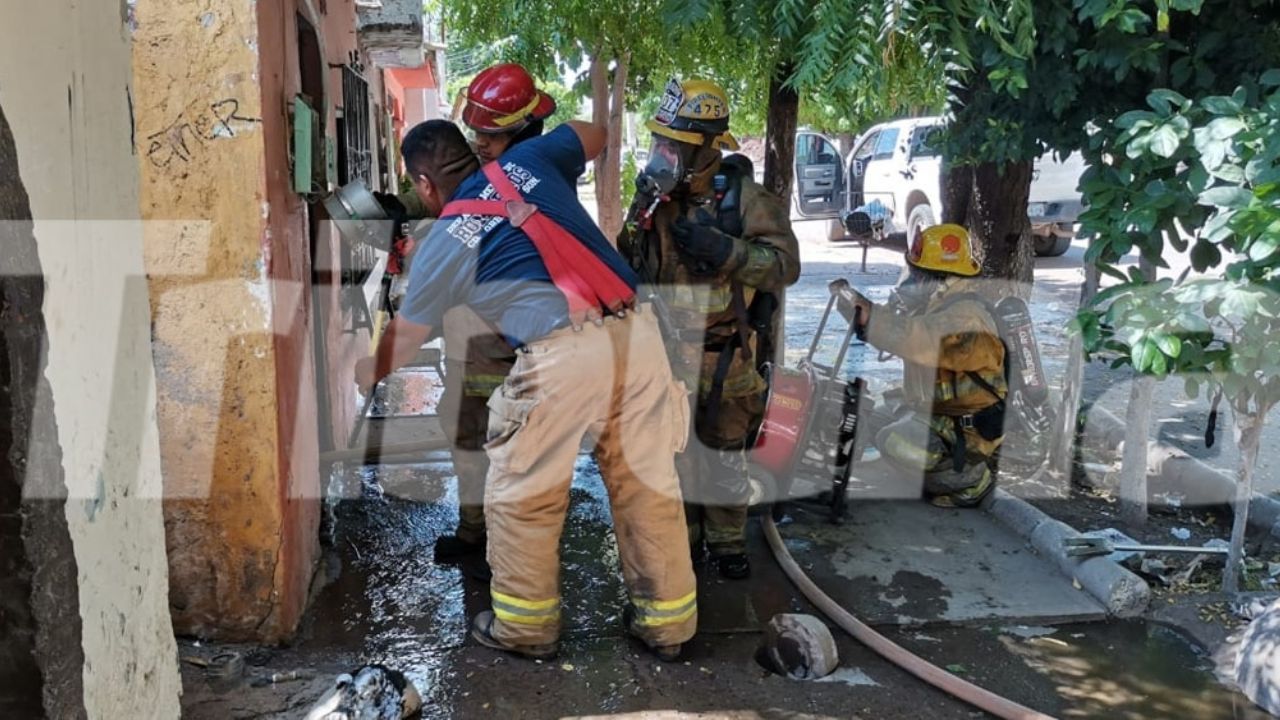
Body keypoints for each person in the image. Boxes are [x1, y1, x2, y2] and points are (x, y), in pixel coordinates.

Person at [355, 118, 697, 662]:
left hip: (562, 354)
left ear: (424, 186)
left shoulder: (444, 240)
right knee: (648, 488)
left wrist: (364, 371)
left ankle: (525, 629)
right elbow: (594, 133)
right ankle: (669, 627)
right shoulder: (532, 160)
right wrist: (526, 148)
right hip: (640, 336)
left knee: (524, 496)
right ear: (473, 152)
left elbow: (405, 338)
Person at [373, 63, 559, 568]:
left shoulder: (479, 208)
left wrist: (364, 371)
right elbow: (426, 194)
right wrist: (394, 209)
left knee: (500, 457)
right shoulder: (483, 183)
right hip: (483, 355)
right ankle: (476, 535)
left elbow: (410, 329)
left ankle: (505, 553)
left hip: (501, 359)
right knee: (474, 451)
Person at [617, 78, 799, 580]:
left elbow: (785, 266)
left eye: (673, 145)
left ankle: (727, 547)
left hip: (726, 359)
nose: (662, 154)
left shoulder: (746, 202)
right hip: (665, 356)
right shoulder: (656, 198)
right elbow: (627, 259)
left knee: (722, 458)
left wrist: (727, 251)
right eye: (660, 142)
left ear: (704, 147)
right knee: (673, 458)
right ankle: (686, 546)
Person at [849, 224, 1006, 508]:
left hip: (965, 429)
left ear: (940, 277)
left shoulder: (966, 318)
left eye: (918, 273)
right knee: (870, 417)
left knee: (893, 441)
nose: (911, 279)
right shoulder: (940, 304)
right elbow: (910, 328)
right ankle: (933, 466)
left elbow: (918, 337)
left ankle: (970, 479)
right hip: (936, 410)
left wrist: (873, 319)